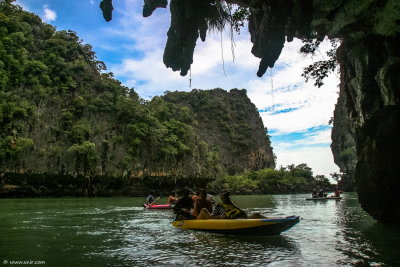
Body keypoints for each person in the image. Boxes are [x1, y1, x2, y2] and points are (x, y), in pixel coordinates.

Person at [197, 191, 265, 220]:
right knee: (204, 210)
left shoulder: (232, 203)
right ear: (222, 198)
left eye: (227, 197)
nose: (227, 198)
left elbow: (242, 212)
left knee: (256, 214)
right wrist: (220, 217)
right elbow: (214, 216)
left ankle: (271, 222)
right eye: (225, 197)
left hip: (242, 218)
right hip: (234, 219)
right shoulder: (219, 205)